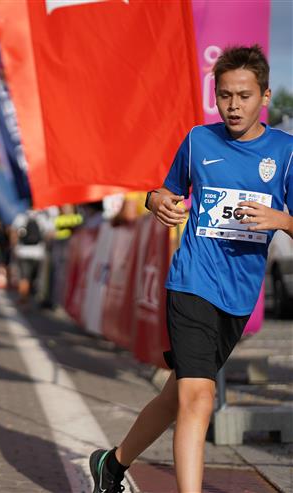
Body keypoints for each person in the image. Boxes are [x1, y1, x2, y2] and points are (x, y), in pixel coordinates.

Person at [89, 45, 293, 493]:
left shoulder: (285, 152)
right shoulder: (199, 140)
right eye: (225, 95)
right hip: (192, 282)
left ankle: (112, 463)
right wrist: (157, 202)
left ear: (265, 97)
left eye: (244, 96)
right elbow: (163, 192)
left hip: (238, 296)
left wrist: (281, 219)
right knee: (199, 397)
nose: (233, 105)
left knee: (176, 396)